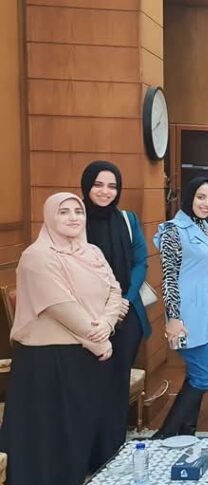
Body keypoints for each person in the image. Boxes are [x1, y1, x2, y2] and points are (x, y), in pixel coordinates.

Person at [0, 193, 121, 484]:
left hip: (86, 358)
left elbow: (114, 290)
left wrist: (107, 324)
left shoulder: (93, 252)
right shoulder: (37, 257)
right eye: (63, 212)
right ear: (49, 216)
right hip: (48, 363)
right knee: (50, 441)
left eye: (78, 211)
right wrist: (98, 340)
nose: (73, 217)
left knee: (77, 436)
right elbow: (59, 307)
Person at [80, 161, 150, 469]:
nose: (105, 191)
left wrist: (125, 299)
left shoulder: (127, 219)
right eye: (98, 184)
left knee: (117, 384)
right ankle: (87, 453)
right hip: (88, 316)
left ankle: (112, 452)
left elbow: (140, 262)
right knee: (91, 385)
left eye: (112, 186)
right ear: (86, 186)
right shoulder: (76, 219)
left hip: (126, 315)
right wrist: (107, 305)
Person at [152, 178, 208, 439]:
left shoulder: (206, 227)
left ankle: (186, 433)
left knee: (197, 376)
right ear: (188, 197)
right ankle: (164, 435)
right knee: (205, 377)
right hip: (188, 318)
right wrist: (173, 319)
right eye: (200, 197)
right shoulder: (173, 230)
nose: (207, 203)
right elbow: (169, 278)